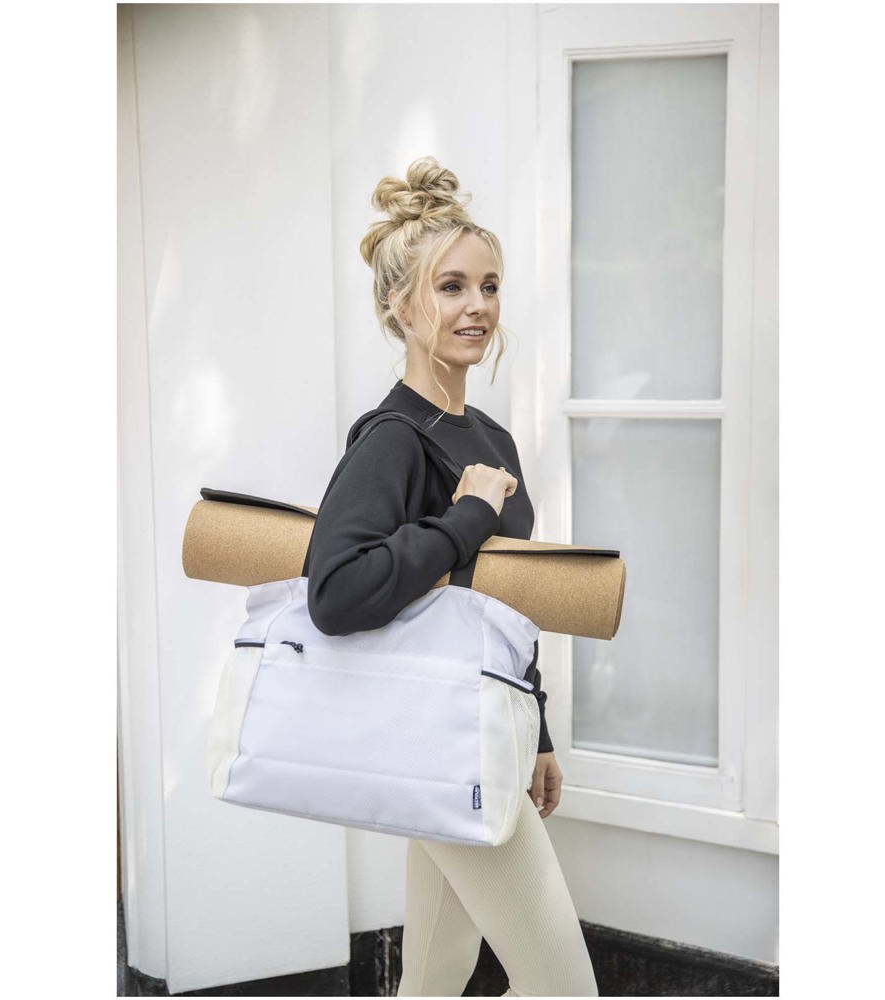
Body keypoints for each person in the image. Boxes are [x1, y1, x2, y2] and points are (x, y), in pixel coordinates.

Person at [302, 156, 599, 998]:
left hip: (482, 729)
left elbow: (505, 602)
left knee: (436, 973)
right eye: (452, 287)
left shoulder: (492, 440)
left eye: (489, 286)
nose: (478, 306)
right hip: (442, 744)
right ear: (400, 306)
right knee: (564, 988)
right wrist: (466, 517)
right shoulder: (392, 438)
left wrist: (537, 729)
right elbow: (335, 592)